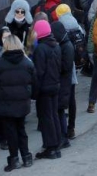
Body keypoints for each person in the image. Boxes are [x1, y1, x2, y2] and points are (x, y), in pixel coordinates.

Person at [0, 35, 36, 172]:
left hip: (5, 103)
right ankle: (26, 157)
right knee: (21, 129)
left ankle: (14, 160)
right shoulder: (27, 63)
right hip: (22, 102)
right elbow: (33, 80)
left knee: (10, 131)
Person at [32, 20, 62, 160]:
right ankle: (56, 145)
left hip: (44, 88)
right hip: (55, 85)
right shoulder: (56, 46)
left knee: (46, 117)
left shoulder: (40, 49)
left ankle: (50, 147)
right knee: (54, 115)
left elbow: (39, 72)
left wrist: (34, 92)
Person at [50, 22, 74, 150]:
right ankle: (63, 138)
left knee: (59, 111)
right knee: (59, 111)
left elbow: (65, 67)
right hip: (64, 83)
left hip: (64, 84)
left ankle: (63, 138)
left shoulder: (66, 46)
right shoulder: (65, 44)